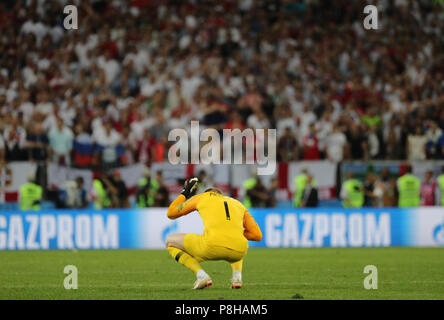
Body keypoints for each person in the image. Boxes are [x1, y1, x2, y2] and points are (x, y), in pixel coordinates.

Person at [165, 178, 262, 290]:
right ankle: (237, 276)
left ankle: (201, 275)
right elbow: (257, 235)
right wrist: (233, 232)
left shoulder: (202, 197)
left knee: (170, 241)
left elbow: (171, 213)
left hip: (211, 247)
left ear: (208, 193)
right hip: (239, 252)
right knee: (237, 237)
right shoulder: (238, 204)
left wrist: (185, 193)